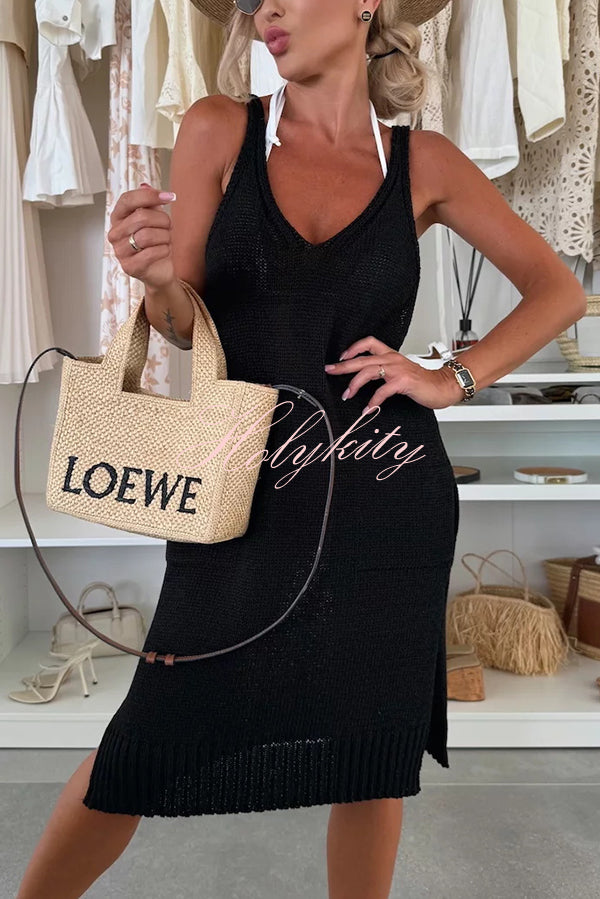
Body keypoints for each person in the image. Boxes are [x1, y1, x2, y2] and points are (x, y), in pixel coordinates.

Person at [15, 2, 586, 898]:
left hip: (386, 505)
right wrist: (157, 279)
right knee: (145, 740)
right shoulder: (218, 129)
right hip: (240, 495)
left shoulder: (423, 162)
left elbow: (558, 291)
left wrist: (451, 377)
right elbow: (183, 323)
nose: (265, 11)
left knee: (370, 754)